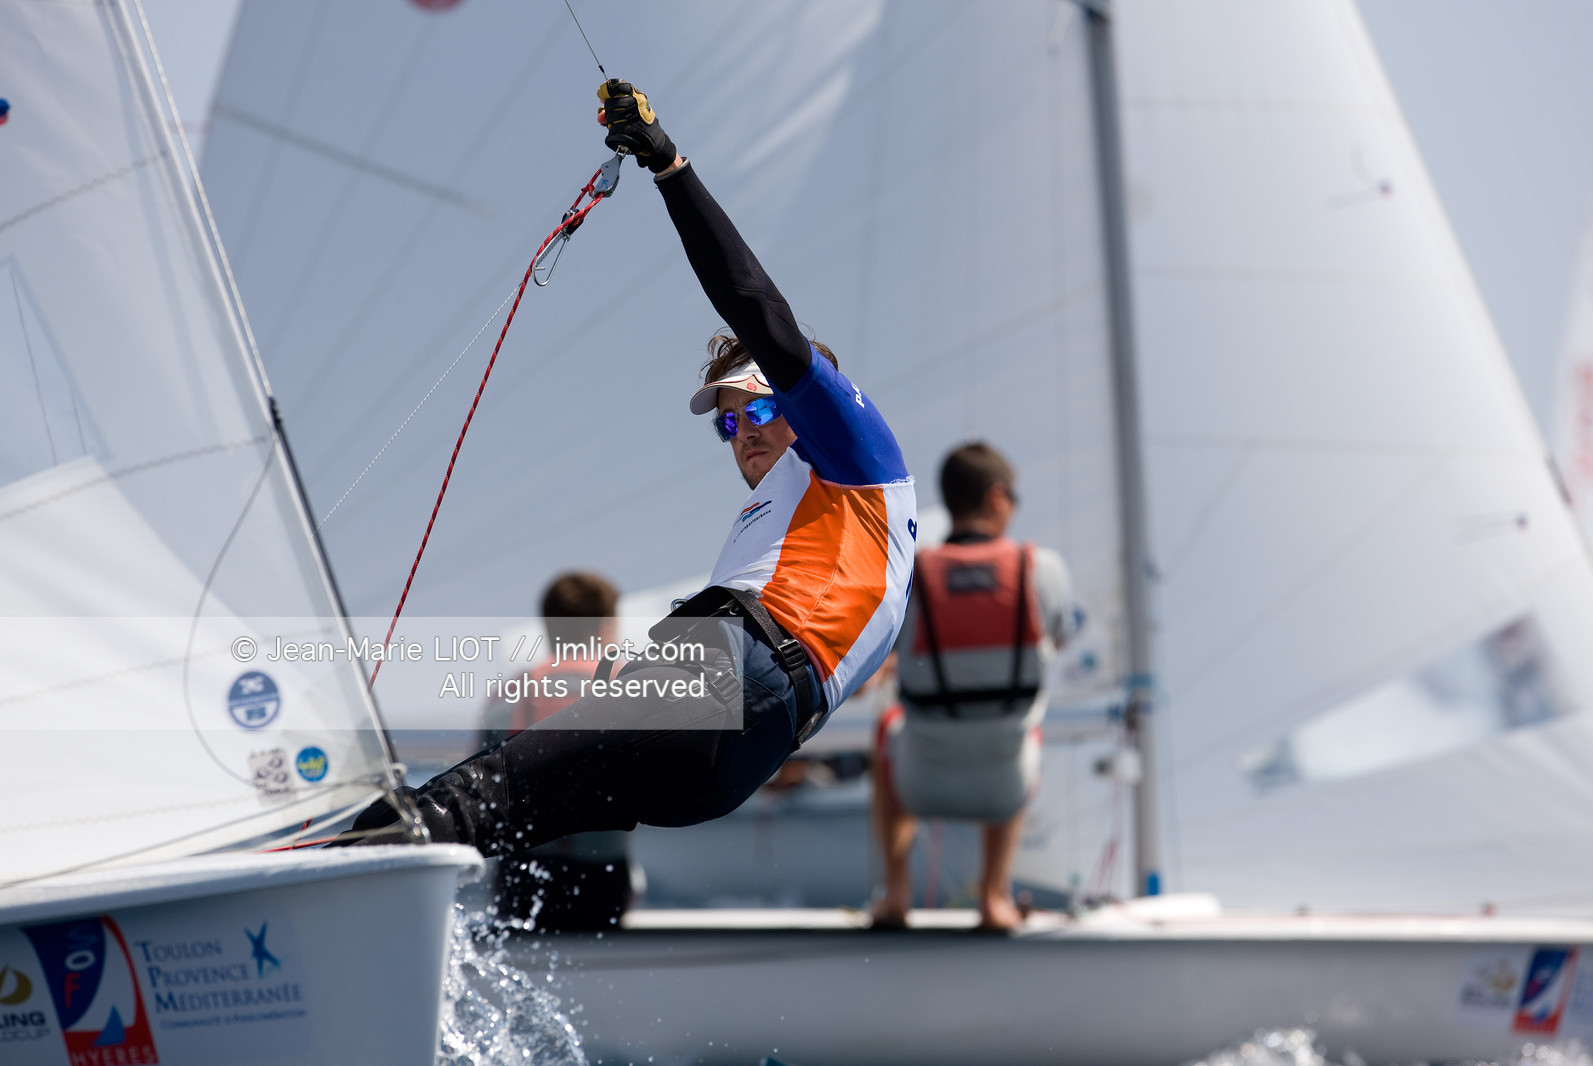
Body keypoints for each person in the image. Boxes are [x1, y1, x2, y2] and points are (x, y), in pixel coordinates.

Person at [337, 80, 916, 855]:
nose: (742, 432)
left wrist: (670, 167)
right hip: (736, 756)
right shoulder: (809, 522)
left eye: (758, 407)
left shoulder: (855, 456)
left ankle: (321, 866)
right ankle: (374, 891)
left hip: (739, 681)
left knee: (484, 793)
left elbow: (753, 303)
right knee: (493, 823)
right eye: (728, 423)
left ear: (806, 402)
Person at [871, 442, 1071, 931]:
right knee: (1020, 726)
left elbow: (882, 652)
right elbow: (1060, 639)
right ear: (998, 497)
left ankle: (896, 891)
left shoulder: (912, 576)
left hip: (919, 783)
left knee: (886, 726)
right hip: (1007, 784)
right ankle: (993, 896)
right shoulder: (1040, 570)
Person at [479, 572, 637, 930]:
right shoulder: (631, 686)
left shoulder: (510, 694)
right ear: (606, 625)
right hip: (601, 873)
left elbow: (480, 786)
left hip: (525, 873)